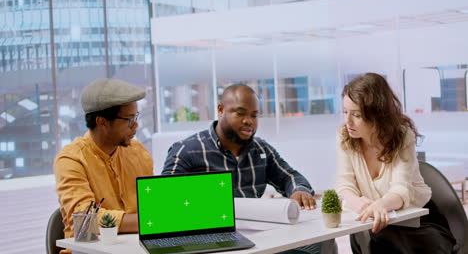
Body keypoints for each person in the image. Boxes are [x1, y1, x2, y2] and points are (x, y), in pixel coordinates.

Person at [162, 84, 332, 254]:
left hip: (258, 238)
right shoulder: (186, 150)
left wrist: (299, 190)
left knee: (320, 243)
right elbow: (165, 202)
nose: (248, 121)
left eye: (254, 115)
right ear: (221, 110)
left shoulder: (260, 149)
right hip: (212, 241)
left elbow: (289, 176)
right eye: (240, 113)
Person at [336, 73, 456, 253]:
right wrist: (357, 203)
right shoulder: (345, 137)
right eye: (345, 112)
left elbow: (401, 189)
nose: (348, 121)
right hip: (375, 223)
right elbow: (345, 184)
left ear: (377, 114)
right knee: (371, 238)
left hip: (417, 220)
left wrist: (380, 205)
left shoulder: (402, 136)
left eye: (357, 115)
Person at [54, 79, 153, 253]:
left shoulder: (138, 152)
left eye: (136, 117)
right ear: (102, 122)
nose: (136, 126)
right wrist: (149, 221)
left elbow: (152, 204)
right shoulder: (71, 160)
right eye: (129, 120)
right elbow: (86, 220)